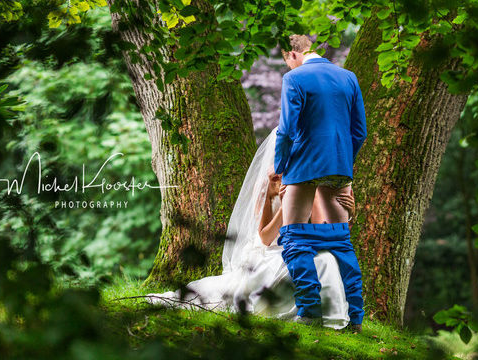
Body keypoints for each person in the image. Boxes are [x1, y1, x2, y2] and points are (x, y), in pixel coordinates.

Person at [146, 128, 357, 329]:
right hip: (272, 252)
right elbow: (265, 237)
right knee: (317, 263)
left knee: (326, 259)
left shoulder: (319, 182)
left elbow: (328, 231)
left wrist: (347, 213)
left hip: (305, 246)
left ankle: (330, 317)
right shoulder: (273, 182)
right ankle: (311, 314)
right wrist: (286, 207)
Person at [274, 34, 367, 331]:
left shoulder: (295, 78)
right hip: (339, 164)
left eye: (286, 61)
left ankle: (310, 310)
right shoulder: (348, 77)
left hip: (303, 164)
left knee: (292, 236)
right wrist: (342, 161)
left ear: (292, 55)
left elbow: (287, 130)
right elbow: (359, 131)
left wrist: (280, 168)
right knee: (341, 239)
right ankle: (356, 317)